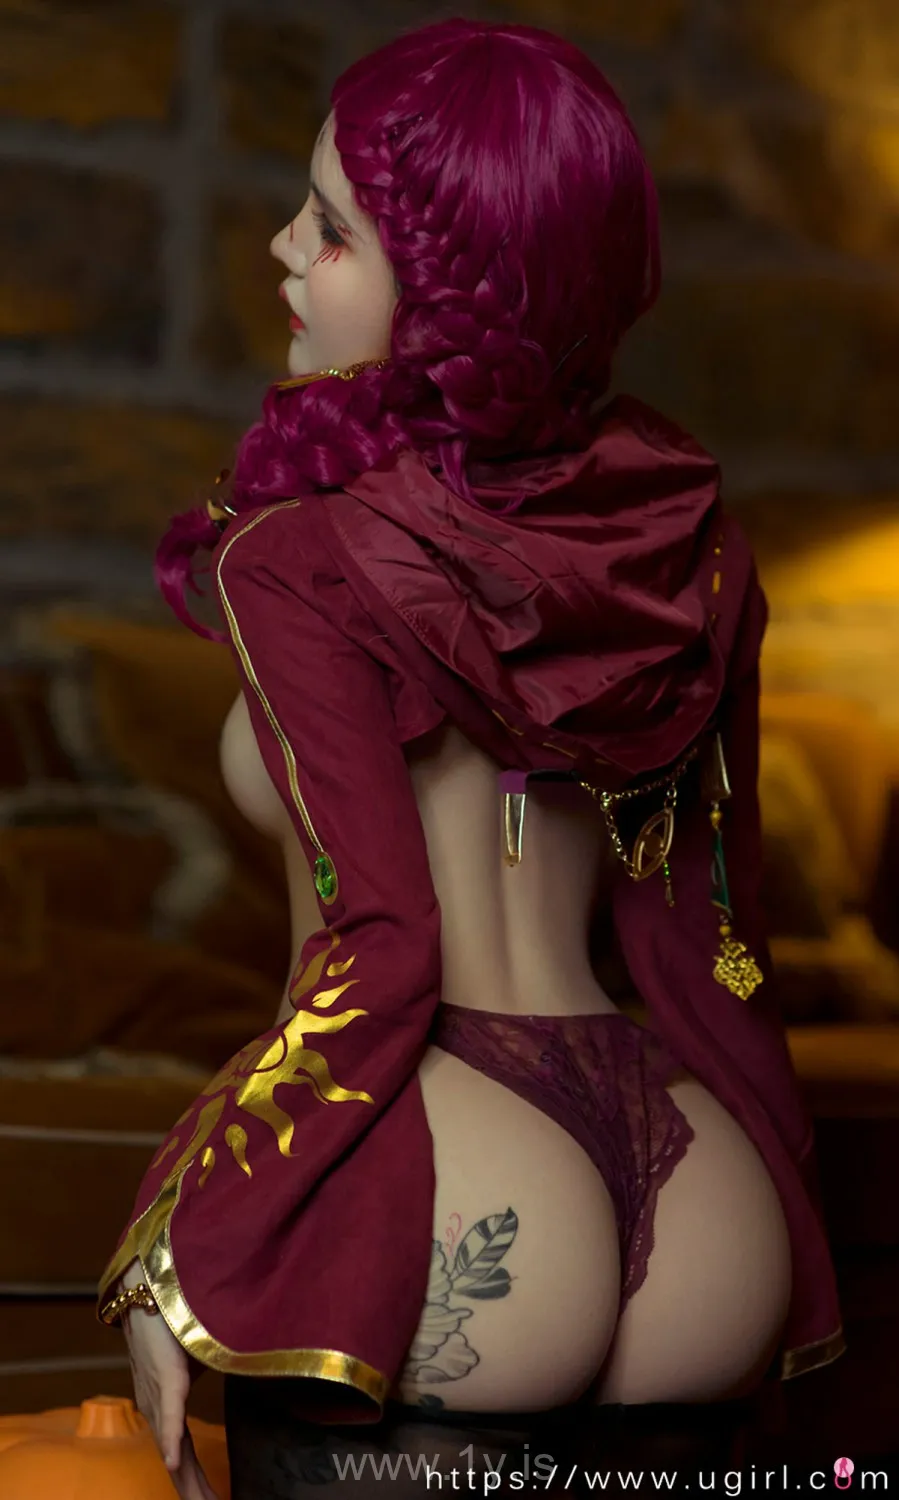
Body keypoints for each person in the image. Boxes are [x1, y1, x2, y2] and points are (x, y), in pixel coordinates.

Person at [94, 19, 845, 1499]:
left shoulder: (297, 558)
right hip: (701, 1190)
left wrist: (180, 1231)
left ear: (448, 293)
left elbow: (377, 951)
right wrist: (788, 1191)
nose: (279, 245)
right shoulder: (691, 549)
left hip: (451, 1159)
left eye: (330, 228)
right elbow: (711, 940)